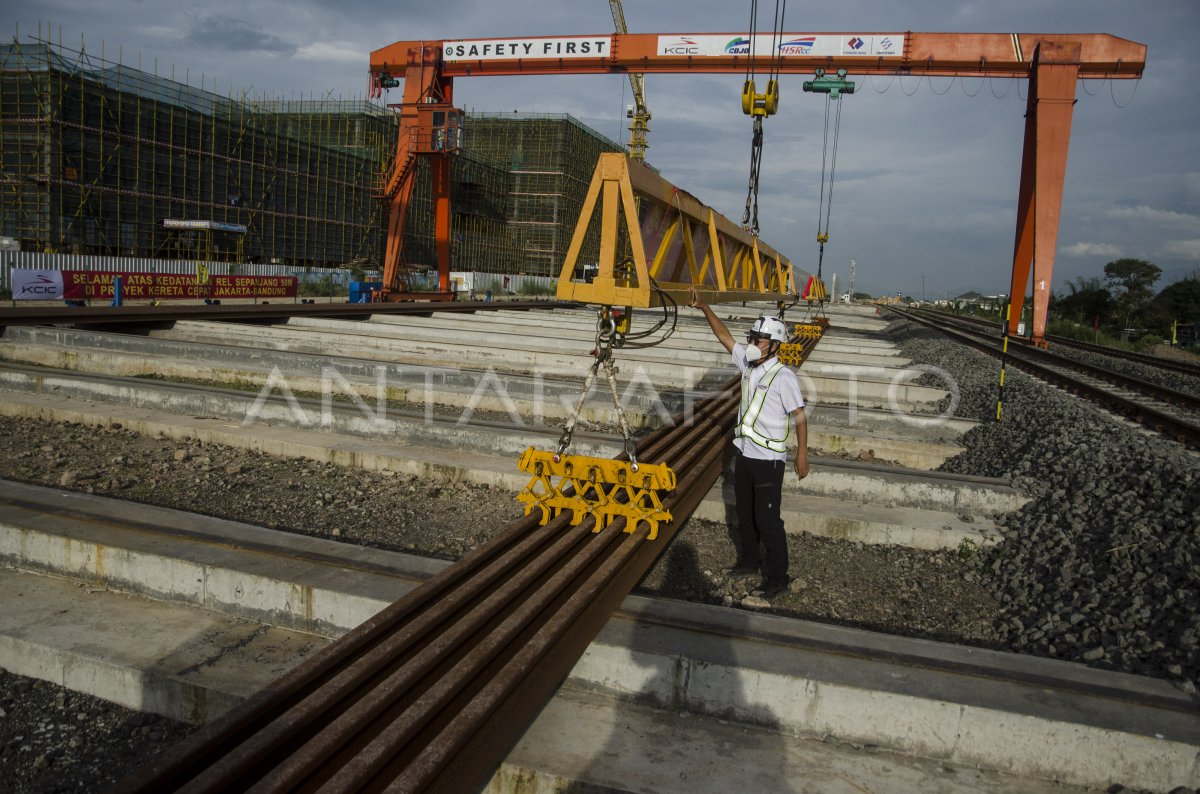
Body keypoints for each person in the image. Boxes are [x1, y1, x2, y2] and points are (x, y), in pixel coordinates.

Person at [689, 286, 810, 599]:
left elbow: (800, 416)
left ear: (773, 346)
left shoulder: (784, 377)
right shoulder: (748, 364)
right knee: (745, 512)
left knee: (768, 519)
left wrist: (802, 455)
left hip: (769, 462)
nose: (752, 344)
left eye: (758, 340)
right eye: (752, 339)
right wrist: (704, 307)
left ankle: (778, 578)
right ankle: (749, 561)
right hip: (745, 456)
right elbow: (724, 336)